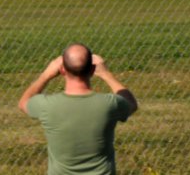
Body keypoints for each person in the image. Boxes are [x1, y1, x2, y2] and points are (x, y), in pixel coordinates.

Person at [18, 44, 138, 175]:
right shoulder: (109, 104)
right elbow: (131, 103)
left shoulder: (47, 105)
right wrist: (106, 74)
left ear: (62, 70)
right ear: (92, 70)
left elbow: (24, 102)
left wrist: (46, 75)